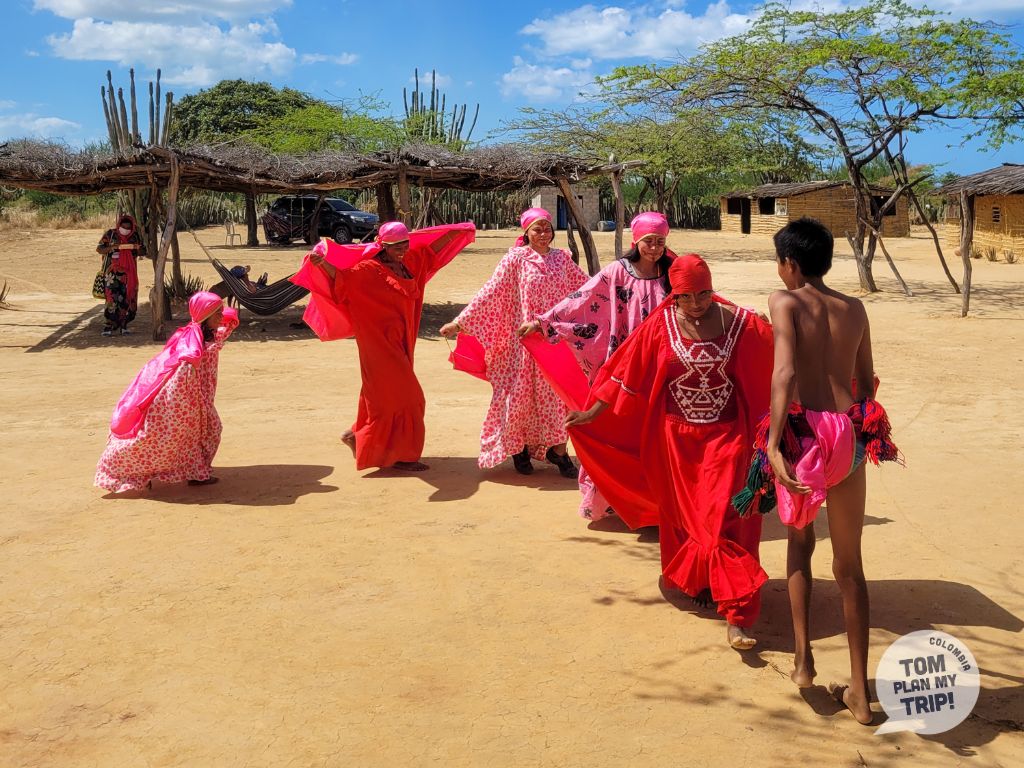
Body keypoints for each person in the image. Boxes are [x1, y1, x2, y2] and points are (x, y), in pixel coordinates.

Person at [736, 217, 899, 724]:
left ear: (790, 263)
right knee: (850, 569)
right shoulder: (855, 308)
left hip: (805, 435)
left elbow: (783, 371)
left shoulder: (785, 301)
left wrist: (773, 442)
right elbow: (867, 381)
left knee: (801, 546)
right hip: (848, 435)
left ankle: (804, 663)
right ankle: (860, 695)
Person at [564, 255, 773, 649]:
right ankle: (701, 582)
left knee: (724, 519)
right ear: (673, 295)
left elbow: (779, 359)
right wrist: (592, 413)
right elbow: (625, 371)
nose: (697, 303)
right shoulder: (658, 326)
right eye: (688, 296)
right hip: (675, 443)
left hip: (729, 439)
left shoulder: (740, 323)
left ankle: (738, 614)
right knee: (688, 520)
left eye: (705, 293)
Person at [521, 211, 674, 521]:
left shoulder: (673, 272)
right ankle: (616, 499)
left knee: (656, 437)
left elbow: (702, 296)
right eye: (649, 241)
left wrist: (741, 317)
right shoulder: (616, 272)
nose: (655, 248)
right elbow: (581, 299)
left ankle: (654, 508)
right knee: (617, 431)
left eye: (660, 241)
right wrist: (544, 322)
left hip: (661, 367)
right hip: (621, 365)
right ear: (636, 241)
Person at [292, 221, 476, 472]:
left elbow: (431, 251)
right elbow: (344, 281)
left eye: (404, 244)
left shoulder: (410, 263)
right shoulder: (369, 269)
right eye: (395, 246)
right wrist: (323, 264)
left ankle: (358, 436)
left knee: (383, 395)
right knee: (411, 398)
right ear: (383, 245)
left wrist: (456, 232)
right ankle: (402, 455)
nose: (401, 249)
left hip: (401, 339)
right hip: (377, 342)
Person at [439, 208, 587, 477]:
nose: (543, 235)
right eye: (537, 230)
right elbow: (491, 292)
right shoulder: (515, 259)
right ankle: (519, 449)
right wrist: (460, 322)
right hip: (522, 344)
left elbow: (584, 290)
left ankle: (558, 450)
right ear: (526, 232)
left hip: (553, 342)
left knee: (557, 397)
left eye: (547, 229)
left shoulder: (562, 259)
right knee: (519, 398)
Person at [95, 291, 239, 492]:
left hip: (200, 400)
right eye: (216, 313)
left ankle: (197, 473)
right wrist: (186, 407)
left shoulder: (209, 333)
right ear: (205, 316)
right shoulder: (191, 344)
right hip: (185, 401)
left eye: (220, 312)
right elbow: (180, 375)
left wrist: (230, 313)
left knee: (207, 432)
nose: (220, 316)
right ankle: (132, 471)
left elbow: (226, 325)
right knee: (171, 437)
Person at [96, 213, 146, 336]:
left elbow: (143, 251)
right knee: (111, 298)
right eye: (123, 227)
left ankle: (124, 325)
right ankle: (109, 325)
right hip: (111, 273)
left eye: (128, 227)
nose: (125, 229)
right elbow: (99, 249)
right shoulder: (110, 234)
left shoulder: (135, 236)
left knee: (127, 297)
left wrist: (136, 247)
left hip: (129, 273)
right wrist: (113, 247)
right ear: (119, 225)